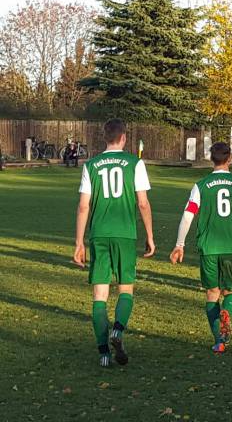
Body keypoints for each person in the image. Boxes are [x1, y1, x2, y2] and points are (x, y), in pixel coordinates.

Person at [73, 118, 155, 367]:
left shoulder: (91, 165)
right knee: (125, 289)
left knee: (100, 295)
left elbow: (83, 206)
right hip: (125, 234)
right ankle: (118, 330)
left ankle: (103, 354)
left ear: (104, 137)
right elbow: (143, 203)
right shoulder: (135, 163)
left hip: (99, 234)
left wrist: (79, 242)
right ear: (124, 138)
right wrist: (150, 235)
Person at [169, 142, 232, 354]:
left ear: (211, 159)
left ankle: (219, 341)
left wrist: (179, 244)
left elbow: (188, 216)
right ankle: (226, 311)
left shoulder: (200, 186)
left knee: (212, 293)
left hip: (208, 247)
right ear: (230, 159)